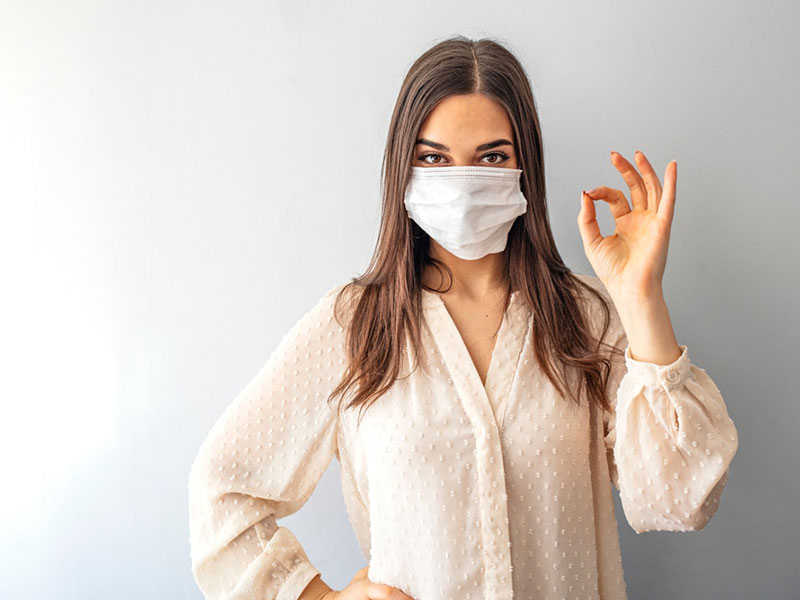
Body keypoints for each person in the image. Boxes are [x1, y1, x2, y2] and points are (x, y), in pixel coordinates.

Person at [188, 35, 739, 600]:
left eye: (492, 157)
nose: (463, 182)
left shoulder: (588, 318)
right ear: (404, 169)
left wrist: (641, 296)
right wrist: (318, 598)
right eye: (434, 158)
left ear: (524, 165)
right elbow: (222, 489)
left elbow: (681, 498)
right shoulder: (353, 327)